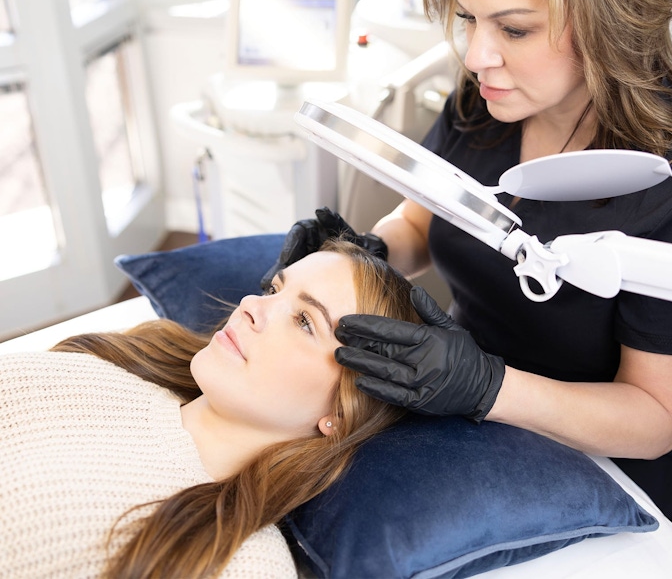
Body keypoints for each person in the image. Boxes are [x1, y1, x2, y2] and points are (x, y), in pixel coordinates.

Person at [271, 0, 672, 519]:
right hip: (467, 407)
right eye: (470, 18)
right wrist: (370, 248)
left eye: (515, 29)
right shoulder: (486, 103)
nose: (476, 55)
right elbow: (424, 220)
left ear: (612, 16)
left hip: (608, 456)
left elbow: (655, 417)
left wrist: (486, 388)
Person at [0, 240, 418, 578]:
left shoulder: (237, 562)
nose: (252, 305)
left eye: (305, 320)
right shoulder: (115, 361)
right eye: (274, 289)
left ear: (341, 413)